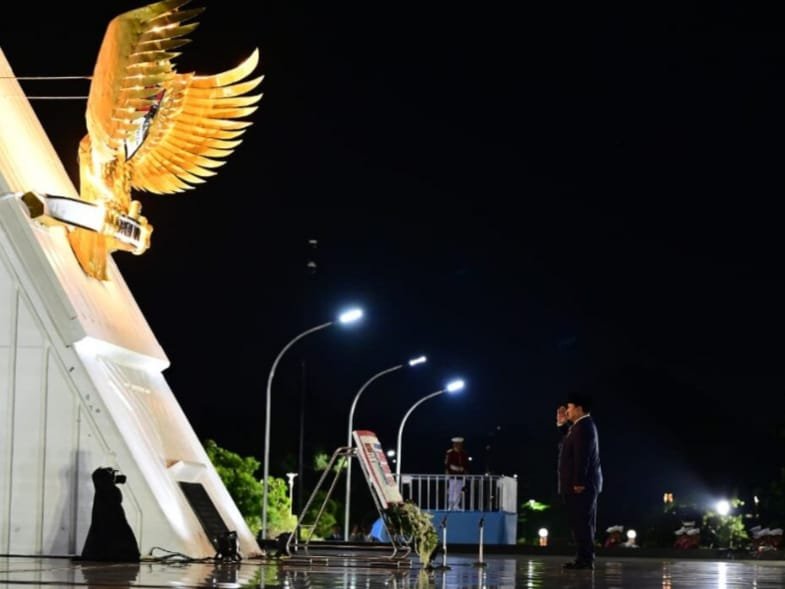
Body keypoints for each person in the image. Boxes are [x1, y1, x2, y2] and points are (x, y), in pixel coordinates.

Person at [557, 392, 603, 570]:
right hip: (580, 484)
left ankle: (585, 559)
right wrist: (563, 425)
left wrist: (579, 482)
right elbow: (571, 444)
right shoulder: (579, 426)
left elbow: (582, 457)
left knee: (582, 522)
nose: (567, 411)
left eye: (569, 407)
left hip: (582, 485)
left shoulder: (584, 427)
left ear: (579, 408)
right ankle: (583, 557)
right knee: (580, 522)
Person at [444, 436, 469, 510]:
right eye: (457, 444)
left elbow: (466, 464)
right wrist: (453, 469)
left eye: (460, 444)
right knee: (451, 490)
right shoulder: (450, 453)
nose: (458, 445)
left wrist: (465, 471)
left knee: (458, 491)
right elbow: (447, 464)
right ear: (454, 444)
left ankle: (456, 505)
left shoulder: (463, 453)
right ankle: (450, 505)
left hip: (460, 475)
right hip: (452, 475)